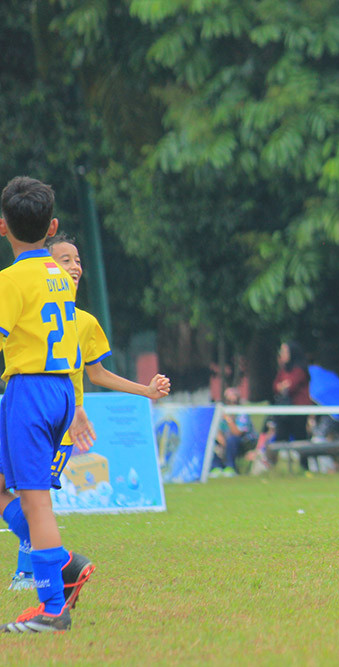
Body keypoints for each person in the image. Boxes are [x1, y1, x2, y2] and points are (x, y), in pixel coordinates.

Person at [6, 233, 170, 589]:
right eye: (65, 260)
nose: (75, 266)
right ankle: (43, 566)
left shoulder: (85, 322)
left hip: (51, 418)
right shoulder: (30, 302)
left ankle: (40, 571)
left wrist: (144, 391)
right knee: (18, 491)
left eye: (78, 260)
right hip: (37, 406)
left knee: (31, 496)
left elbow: (96, 373)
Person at [0, 176, 98, 633]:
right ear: (52, 225)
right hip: (59, 388)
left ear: (3, 227)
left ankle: (51, 608)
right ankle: (63, 563)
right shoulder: (62, 274)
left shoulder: (10, 280)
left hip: (31, 391)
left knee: (36, 503)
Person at [210, 387, 253, 478]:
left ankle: (230, 467)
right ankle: (216, 467)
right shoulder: (220, 411)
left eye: (234, 402)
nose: (231, 404)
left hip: (241, 442)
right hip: (224, 441)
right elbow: (215, 429)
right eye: (229, 401)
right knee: (211, 440)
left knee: (232, 440)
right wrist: (220, 438)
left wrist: (228, 419)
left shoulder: (242, 413)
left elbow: (237, 433)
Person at [273, 341, 312, 442]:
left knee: (300, 437)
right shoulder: (283, 370)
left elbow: (291, 386)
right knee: (281, 435)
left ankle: (303, 457)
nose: (282, 354)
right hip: (285, 410)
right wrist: (282, 386)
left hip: (298, 409)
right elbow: (275, 386)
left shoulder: (299, 370)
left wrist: (283, 386)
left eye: (284, 352)